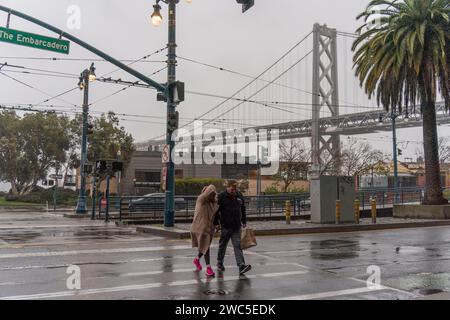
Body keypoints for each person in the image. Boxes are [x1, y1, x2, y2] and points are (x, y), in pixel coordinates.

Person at [214, 180, 252, 275]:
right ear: (227, 187)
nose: (233, 191)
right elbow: (215, 211)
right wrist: (216, 223)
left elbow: (243, 208)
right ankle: (219, 262)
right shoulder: (221, 196)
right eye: (232, 189)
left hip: (236, 226)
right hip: (225, 225)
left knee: (238, 245)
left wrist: (243, 220)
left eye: (235, 189)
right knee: (223, 245)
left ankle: (241, 266)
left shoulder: (239, 195)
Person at [190, 185, 219, 277]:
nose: (213, 194)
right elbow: (209, 192)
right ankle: (208, 268)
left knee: (205, 246)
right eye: (211, 192)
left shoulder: (213, 203)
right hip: (200, 228)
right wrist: (212, 187)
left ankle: (197, 259)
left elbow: (215, 214)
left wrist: (217, 224)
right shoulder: (201, 199)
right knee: (206, 247)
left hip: (209, 228)